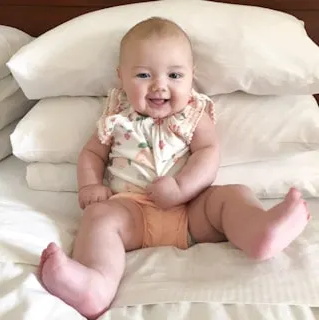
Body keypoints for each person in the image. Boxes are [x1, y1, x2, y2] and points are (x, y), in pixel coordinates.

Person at [38, 17, 310, 319]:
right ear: (121, 78)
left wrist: (182, 189)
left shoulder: (194, 114)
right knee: (98, 218)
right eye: (143, 74)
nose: (159, 85)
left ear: (192, 76)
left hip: (192, 210)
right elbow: (92, 153)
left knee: (232, 196)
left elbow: (208, 152)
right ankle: (95, 285)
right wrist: (90, 186)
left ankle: (259, 232)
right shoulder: (116, 115)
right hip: (132, 212)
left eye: (174, 75)